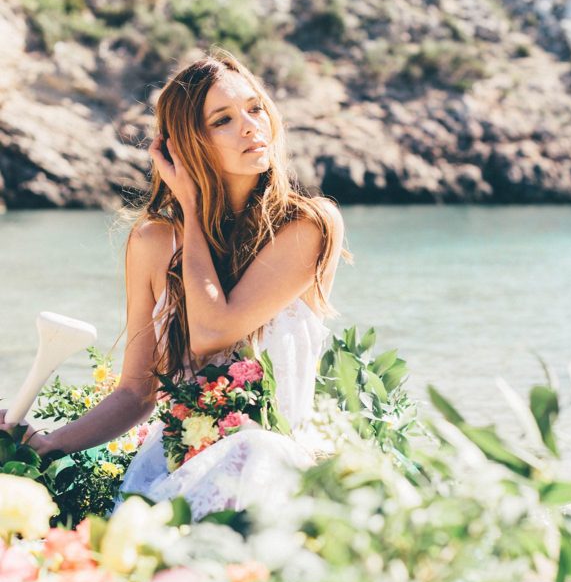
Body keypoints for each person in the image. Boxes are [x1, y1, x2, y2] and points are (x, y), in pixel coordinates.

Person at [1, 49, 346, 518]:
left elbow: (211, 329)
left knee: (258, 450)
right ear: (185, 145)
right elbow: (135, 391)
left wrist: (189, 205)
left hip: (272, 467)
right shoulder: (152, 241)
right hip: (174, 466)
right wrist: (48, 444)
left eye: (255, 108)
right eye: (223, 120)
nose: (250, 126)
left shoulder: (307, 225)